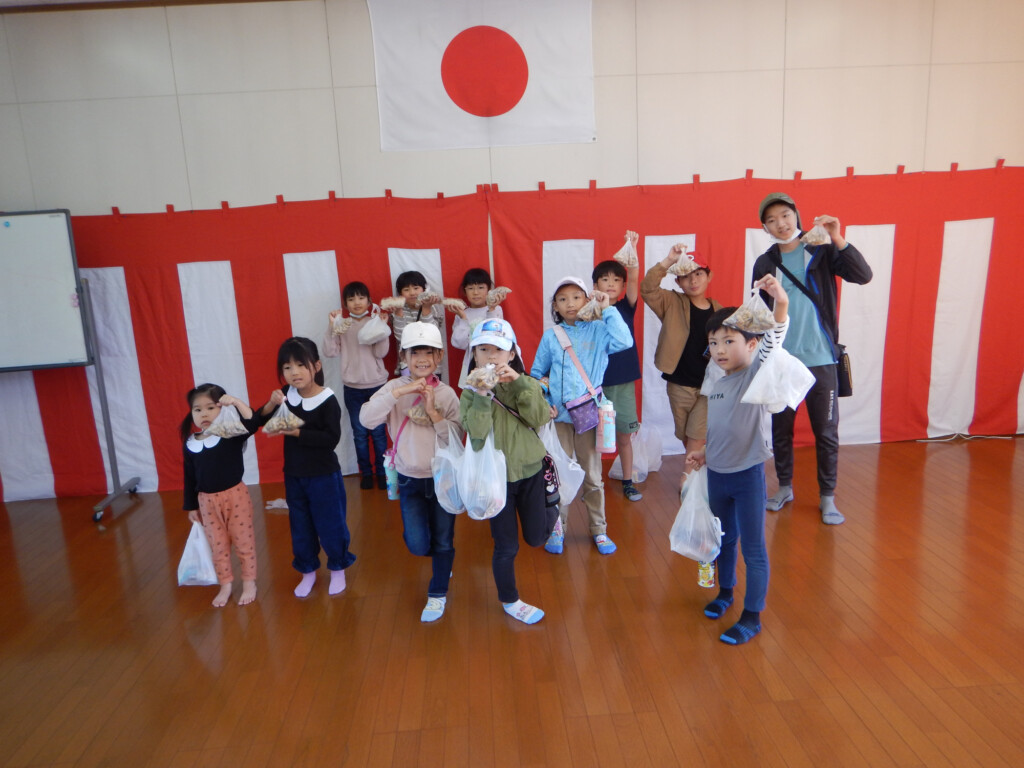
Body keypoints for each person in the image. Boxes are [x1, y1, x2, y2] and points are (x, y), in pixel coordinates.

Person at [752, 192, 872, 525]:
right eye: (771, 220)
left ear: (796, 215)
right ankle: (784, 487)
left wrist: (837, 237)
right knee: (781, 430)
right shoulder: (764, 262)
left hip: (822, 359)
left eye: (785, 215)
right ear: (765, 228)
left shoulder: (820, 250)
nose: (780, 223)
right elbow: (759, 312)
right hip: (782, 361)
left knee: (826, 431)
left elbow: (863, 275)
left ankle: (827, 497)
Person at [684, 274, 790, 645]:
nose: (720, 350)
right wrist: (704, 452)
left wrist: (780, 301)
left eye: (729, 341)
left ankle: (752, 615)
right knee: (724, 540)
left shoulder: (755, 375)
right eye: (714, 343)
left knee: (753, 548)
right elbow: (719, 428)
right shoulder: (718, 382)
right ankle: (726, 592)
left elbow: (775, 338)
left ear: (752, 344)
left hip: (747, 477)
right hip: (718, 475)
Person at [359, 322, 463, 622]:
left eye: (428, 352)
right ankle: (442, 559)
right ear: (404, 357)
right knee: (417, 544)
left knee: (443, 539)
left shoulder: (447, 394)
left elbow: (457, 437)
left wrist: (433, 413)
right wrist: (400, 392)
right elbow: (366, 419)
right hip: (408, 478)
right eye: (414, 353)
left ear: (439, 356)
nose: (421, 359)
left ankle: (438, 591)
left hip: (443, 478)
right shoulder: (393, 389)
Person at [460, 318, 555, 624]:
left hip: (530, 472)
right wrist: (481, 395)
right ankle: (510, 599)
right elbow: (476, 435)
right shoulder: (469, 393)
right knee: (506, 546)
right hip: (494, 481)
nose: (491, 356)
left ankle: (553, 511)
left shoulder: (525, 384)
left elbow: (539, 417)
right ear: (474, 356)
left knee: (536, 538)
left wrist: (520, 383)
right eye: (483, 349)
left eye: (498, 350)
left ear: (511, 354)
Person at [531, 276, 633, 555]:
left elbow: (624, 341)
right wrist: (546, 401)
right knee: (558, 475)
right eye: (563, 299)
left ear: (587, 300)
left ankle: (599, 529)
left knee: (593, 476)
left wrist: (607, 308)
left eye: (577, 297)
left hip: (589, 416)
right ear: (555, 306)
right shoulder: (551, 336)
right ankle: (557, 528)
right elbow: (537, 374)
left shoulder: (600, 329)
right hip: (559, 419)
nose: (570, 303)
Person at [258, 337, 356, 598]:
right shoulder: (285, 394)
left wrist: (296, 433)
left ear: (316, 366)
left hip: (324, 475)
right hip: (294, 475)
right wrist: (271, 404)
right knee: (300, 526)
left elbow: (330, 439)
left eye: (301, 365)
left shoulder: (327, 399)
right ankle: (308, 571)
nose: (294, 372)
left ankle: (337, 568)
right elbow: (260, 419)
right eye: (287, 367)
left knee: (331, 524)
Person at [640, 245, 723, 465]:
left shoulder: (720, 311)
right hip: (679, 384)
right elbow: (648, 289)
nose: (693, 280)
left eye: (698, 274)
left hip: (709, 386)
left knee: (696, 435)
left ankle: (687, 479)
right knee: (686, 435)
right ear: (677, 281)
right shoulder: (671, 302)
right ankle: (700, 472)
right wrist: (669, 260)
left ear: (709, 276)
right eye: (685, 276)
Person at [180, 383, 260, 607]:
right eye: (198, 409)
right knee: (218, 546)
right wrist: (191, 506)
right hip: (207, 502)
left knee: (244, 543)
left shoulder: (229, 433)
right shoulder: (190, 444)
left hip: (236, 498)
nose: (204, 414)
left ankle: (249, 583)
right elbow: (189, 477)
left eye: (210, 408)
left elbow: (252, 422)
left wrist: (235, 402)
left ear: (221, 409)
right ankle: (225, 584)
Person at [322, 281, 391, 491]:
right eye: (351, 299)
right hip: (352, 388)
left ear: (369, 301)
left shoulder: (374, 321)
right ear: (345, 304)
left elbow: (381, 353)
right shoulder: (342, 325)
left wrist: (382, 328)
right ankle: (366, 474)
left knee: (378, 433)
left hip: (377, 385)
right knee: (359, 434)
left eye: (361, 298)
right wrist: (332, 327)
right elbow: (330, 352)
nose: (357, 302)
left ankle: (382, 473)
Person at [593, 230, 644, 502]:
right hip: (594, 384)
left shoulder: (626, 306)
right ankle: (593, 484)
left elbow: (634, 276)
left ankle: (628, 481)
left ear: (623, 285)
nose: (611, 284)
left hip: (623, 381)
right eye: (605, 279)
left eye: (616, 280)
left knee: (624, 435)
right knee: (593, 437)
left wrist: (632, 247)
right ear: (595, 284)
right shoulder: (588, 311)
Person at [448, 267, 503, 388]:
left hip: (492, 363)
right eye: (470, 288)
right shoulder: (462, 313)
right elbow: (459, 343)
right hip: (471, 366)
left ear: (489, 289)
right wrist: (463, 318)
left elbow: (495, 337)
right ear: (464, 291)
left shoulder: (496, 309)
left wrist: (491, 310)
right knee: (472, 396)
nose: (476, 292)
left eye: (481, 287)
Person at [389, 270, 445, 375]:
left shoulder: (433, 308)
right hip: (408, 365)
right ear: (400, 293)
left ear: (424, 289)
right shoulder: (398, 310)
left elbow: (432, 335)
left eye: (416, 288)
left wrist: (426, 309)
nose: (412, 293)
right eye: (406, 290)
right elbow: (401, 337)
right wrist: (398, 311)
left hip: (431, 364)